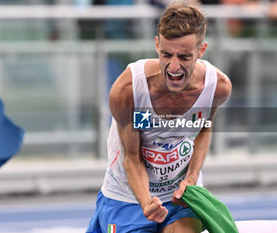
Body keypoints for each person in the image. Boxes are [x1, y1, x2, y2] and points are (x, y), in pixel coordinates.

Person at [86, 3, 232, 233]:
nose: (174, 67)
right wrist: (146, 202)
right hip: (128, 198)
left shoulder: (217, 87)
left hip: (179, 197)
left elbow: (204, 127)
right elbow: (132, 158)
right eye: (166, 54)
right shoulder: (129, 90)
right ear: (156, 45)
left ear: (201, 50)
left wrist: (192, 178)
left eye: (184, 56)